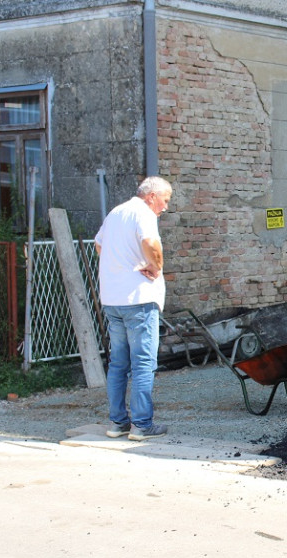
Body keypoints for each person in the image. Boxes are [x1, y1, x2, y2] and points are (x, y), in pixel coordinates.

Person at [94, 176, 173, 441]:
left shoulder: (116, 212)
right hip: (139, 299)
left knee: (118, 363)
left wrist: (119, 266)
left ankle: (118, 423)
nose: (165, 206)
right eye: (165, 200)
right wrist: (155, 267)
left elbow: (99, 245)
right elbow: (151, 244)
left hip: (113, 299)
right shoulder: (144, 213)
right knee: (142, 363)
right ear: (151, 196)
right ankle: (142, 425)